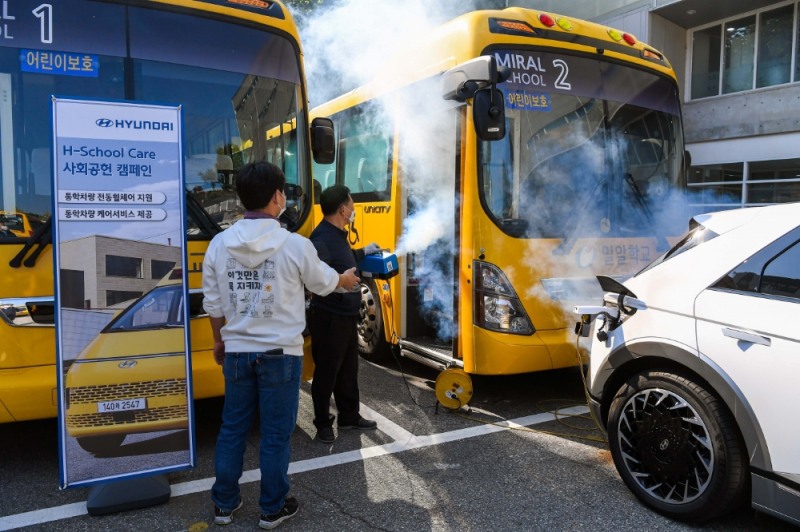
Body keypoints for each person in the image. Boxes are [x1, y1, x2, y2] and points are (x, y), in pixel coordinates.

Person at [202, 161, 360, 529]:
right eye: (283, 193)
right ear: (277, 197)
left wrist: (219, 341)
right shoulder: (294, 245)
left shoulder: (218, 245)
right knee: (275, 435)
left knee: (232, 430)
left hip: (237, 352)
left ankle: (223, 505)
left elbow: (212, 303)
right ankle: (272, 509)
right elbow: (325, 283)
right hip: (281, 357)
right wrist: (346, 279)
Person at [308, 184, 381, 444]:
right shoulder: (319, 240)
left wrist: (364, 252)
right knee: (327, 371)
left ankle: (349, 416)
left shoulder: (338, 234)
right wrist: (342, 282)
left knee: (349, 369)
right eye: (351, 205)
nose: (353, 210)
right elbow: (317, 278)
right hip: (329, 317)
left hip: (346, 315)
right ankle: (323, 424)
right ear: (342, 209)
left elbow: (345, 260)